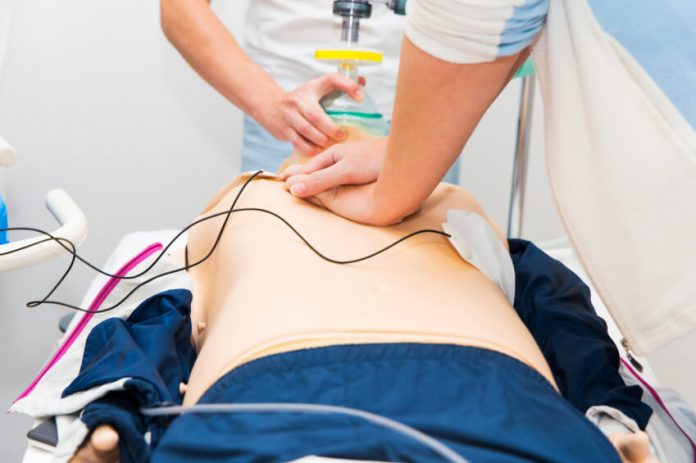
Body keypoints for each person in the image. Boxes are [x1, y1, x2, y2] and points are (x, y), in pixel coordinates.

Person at [67, 168, 656, 462]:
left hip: (265, 393)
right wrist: (610, 417)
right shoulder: (450, 203)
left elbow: (160, 324)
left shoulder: (244, 199)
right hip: (495, 393)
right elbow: (563, 315)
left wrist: (115, 417)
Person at [159, 0, 464, 183]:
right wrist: (269, 102)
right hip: (295, 128)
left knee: (413, 265)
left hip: (428, 125)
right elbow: (180, 6)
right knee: (282, 258)